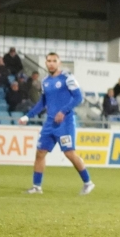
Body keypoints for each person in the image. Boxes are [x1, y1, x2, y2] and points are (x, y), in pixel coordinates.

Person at [19, 52, 93, 195]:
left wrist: (63, 111)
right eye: (49, 61)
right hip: (49, 123)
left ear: (59, 63)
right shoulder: (45, 81)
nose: (51, 63)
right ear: (46, 63)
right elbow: (42, 103)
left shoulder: (67, 78)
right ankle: (36, 187)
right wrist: (28, 116)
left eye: (54, 61)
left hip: (65, 123)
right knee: (40, 153)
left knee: (69, 154)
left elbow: (78, 97)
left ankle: (88, 182)